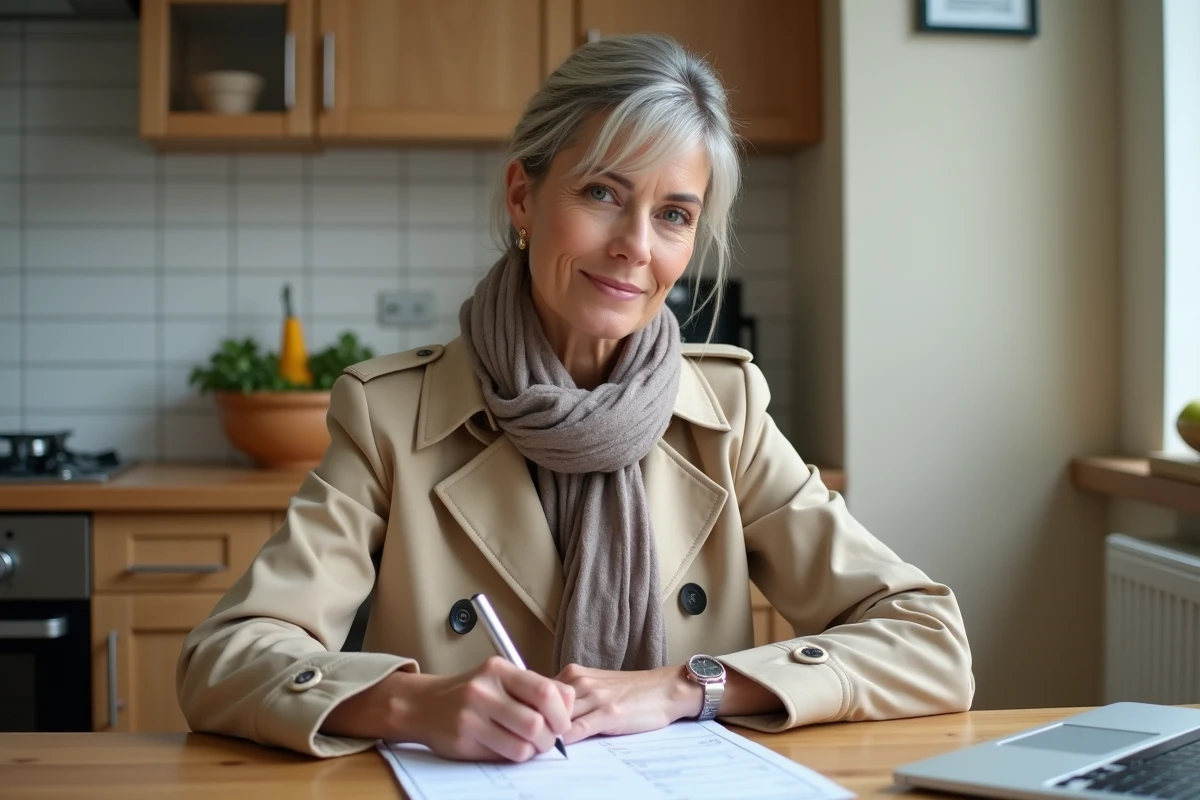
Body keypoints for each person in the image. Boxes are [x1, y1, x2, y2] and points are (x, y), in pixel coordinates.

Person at [176, 32, 974, 763]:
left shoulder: (724, 414)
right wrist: (411, 703)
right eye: (601, 193)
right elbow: (224, 659)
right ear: (523, 197)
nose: (635, 244)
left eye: (672, 215)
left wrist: (684, 687)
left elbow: (929, 641)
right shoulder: (391, 416)